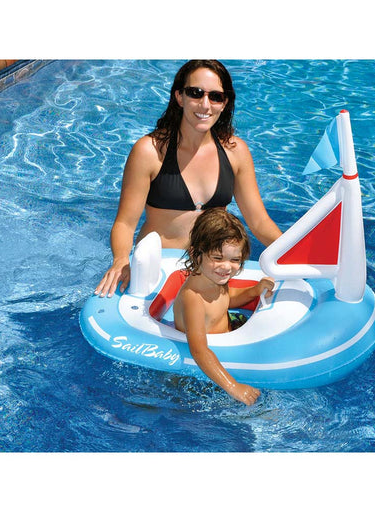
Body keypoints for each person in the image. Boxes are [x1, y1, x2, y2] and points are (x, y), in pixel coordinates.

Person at [95, 59, 282, 298]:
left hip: (213, 269)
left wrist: (294, 255)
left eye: (216, 97)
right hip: (159, 270)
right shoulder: (150, 151)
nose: (205, 104)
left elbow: (259, 222)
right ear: (180, 97)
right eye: (196, 93)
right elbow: (125, 223)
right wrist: (121, 260)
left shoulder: (235, 152)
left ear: (224, 103)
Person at [173, 209, 274, 406]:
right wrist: (233, 386)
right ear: (196, 254)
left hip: (230, 333)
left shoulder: (215, 279)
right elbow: (199, 351)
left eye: (235, 260)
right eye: (218, 258)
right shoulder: (193, 298)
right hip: (206, 365)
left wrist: (254, 291)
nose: (227, 267)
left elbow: (225, 300)